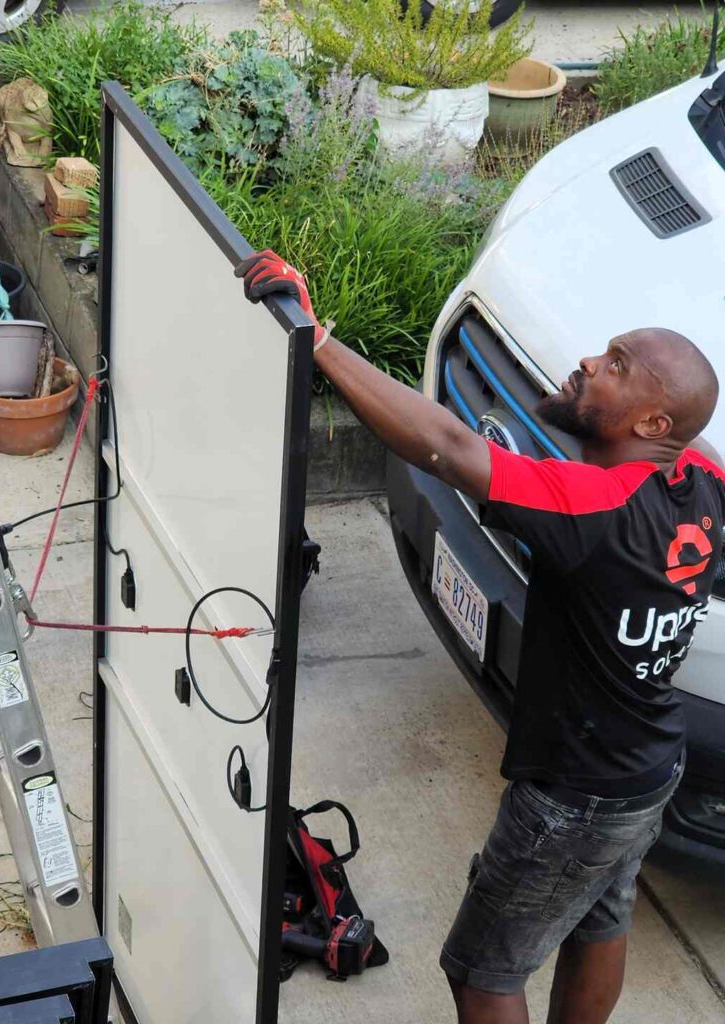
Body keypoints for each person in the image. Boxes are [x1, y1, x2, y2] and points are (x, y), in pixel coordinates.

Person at [235, 250, 725, 1024]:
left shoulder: (592, 510)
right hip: (648, 770)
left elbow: (449, 447)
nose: (589, 362)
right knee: (600, 916)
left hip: (574, 795)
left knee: (483, 969)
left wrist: (317, 338)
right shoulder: (701, 482)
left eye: (616, 366)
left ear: (654, 423)